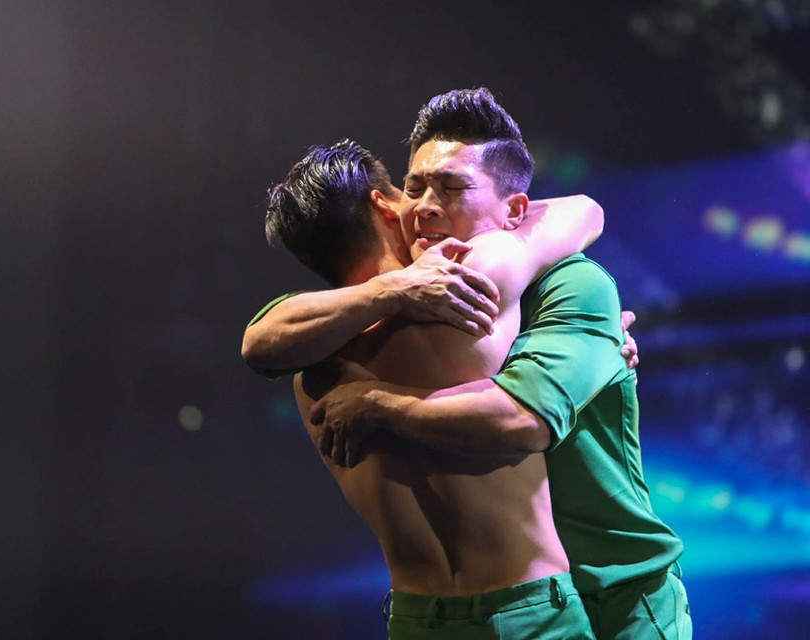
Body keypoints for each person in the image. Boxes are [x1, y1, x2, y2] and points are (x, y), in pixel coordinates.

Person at [275, 88, 692, 639]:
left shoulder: (573, 283)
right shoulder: (380, 311)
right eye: (415, 186)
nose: (424, 205)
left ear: (516, 211)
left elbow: (522, 420)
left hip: (623, 593)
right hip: (524, 599)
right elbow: (262, 338)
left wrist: (377, 405)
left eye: (452, 188)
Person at [249, 137, 605, 639]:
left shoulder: (311, 372)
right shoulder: (470, 281)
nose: (424, 206)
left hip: (415, 619)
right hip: (525, 611)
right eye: (408, 189)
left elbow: (257, 343)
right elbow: (582, 212)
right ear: (385, 205)